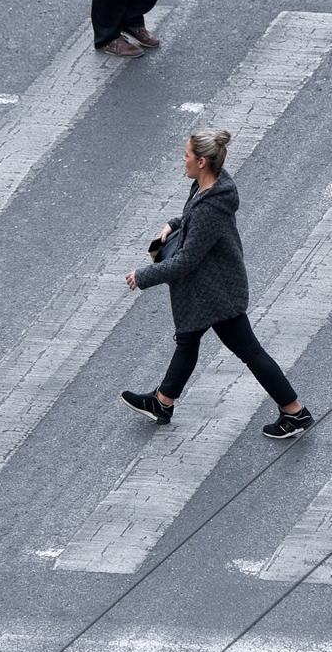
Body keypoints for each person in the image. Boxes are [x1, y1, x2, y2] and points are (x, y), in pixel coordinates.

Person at [121, 129, 314, 439]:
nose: (181, 160)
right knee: (187, 340)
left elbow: (187, 260)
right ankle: (163, 402)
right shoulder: (205, 187)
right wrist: (174, 224)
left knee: (250, 352)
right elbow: (192, 221)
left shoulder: (212, 204)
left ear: (201, 161)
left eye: (185, 156)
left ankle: (295, 413)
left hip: (217, 293)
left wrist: (142, 276)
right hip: (206, 287)